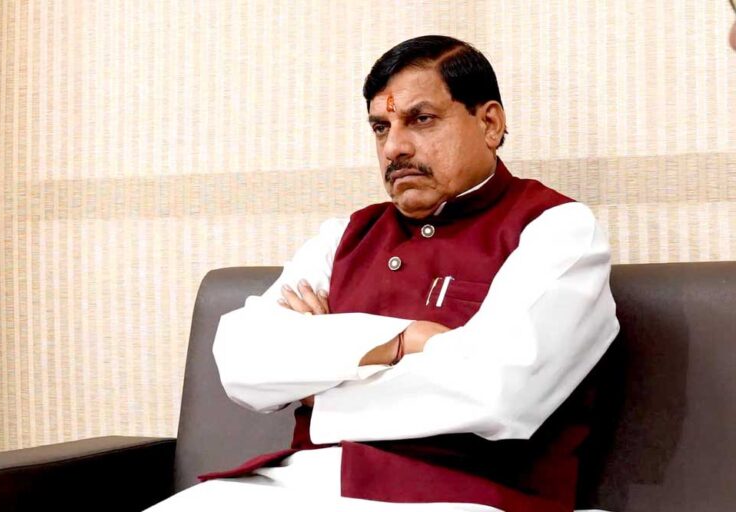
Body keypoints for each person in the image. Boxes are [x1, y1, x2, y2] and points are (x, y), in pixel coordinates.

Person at [148, 35, 619, 512]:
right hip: (300, 482)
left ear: (489, 123)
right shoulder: (344, 235)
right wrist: (405, 341)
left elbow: (497, 392)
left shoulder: (557, 229)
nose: (394, 147)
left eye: (421, 119)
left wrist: (320, 389)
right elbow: (242, 360)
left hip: (460, 496)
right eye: (380, 127)